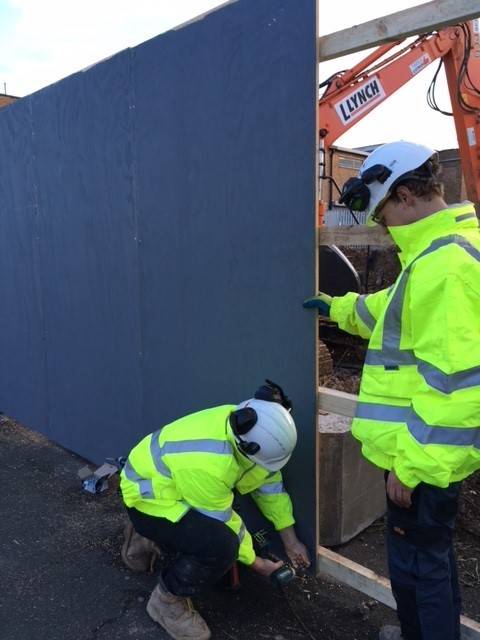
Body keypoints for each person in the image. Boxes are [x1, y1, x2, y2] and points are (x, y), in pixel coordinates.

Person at [304, 140, 480, 640]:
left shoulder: (446, 269)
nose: (382, 227)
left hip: (420, 459)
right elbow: (391, 313)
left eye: (383, 215)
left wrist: (412, 467)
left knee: (416, 571)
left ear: (405, 195)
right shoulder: (438, 256)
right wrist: (334, 308)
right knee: (431, 561)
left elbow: (458, 387)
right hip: (421, 454)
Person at [119, 380, 310, 640]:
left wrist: (290, 539)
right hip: (147, 498)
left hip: (170, 483)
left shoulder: (248, 425)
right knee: (219, 546)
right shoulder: (210, 463)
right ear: (248, 449)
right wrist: (257, 563)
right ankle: (166, 601)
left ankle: (145, 537)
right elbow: (224, 523)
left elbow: (269, 484)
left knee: (220, 538)